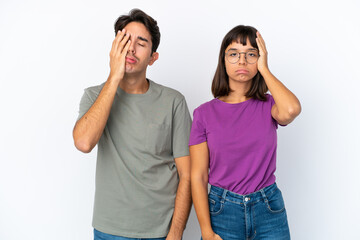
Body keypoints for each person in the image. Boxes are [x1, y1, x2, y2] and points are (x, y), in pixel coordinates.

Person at [73, 9, 192, 240]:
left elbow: (187, 175)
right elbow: (84, 142)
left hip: (161, 231)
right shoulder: (93, 96)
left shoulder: (173, 101)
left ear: (152, 57)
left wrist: (176, 233)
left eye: (141, 43)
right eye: (125, 39)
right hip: (110, 231)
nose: (131, 48)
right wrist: (114, 76)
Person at [189, 25, 301, 240]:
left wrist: (265, 69)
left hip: (268, 208)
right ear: (223, 60)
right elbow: (198, 176)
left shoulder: (269, 105)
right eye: (234, 54)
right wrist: (206, 231)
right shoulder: (203, 113)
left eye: (251, 54)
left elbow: (291, 110)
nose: (242, 61)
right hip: (223, 211)